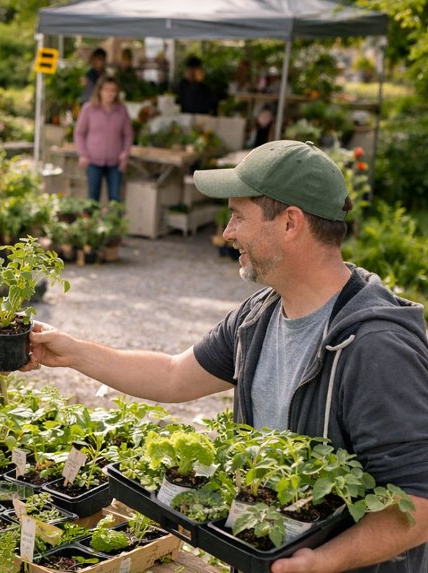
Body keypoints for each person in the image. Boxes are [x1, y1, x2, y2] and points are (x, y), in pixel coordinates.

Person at [27, 140, 428, 573]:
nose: (227, 232)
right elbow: (174, 375)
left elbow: (419, 501)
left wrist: (324, 561)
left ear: (291, 222)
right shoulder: (260, 314)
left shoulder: (375, 347)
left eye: (238, 216)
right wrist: (72, 353)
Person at [74, 76, 133, 204]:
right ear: (99, 91)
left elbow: (128, 134)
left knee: (115, 199)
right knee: (93, 199)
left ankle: (113, 224)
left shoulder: (121, 110)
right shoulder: (88, 109)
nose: (109, 93)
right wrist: (83, 154)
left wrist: (125, 153)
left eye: (113, 90)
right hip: (93, 161)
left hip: (115, 163)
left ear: (117, 93)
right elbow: (79, 133)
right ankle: (91, 224)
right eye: (106, 89)